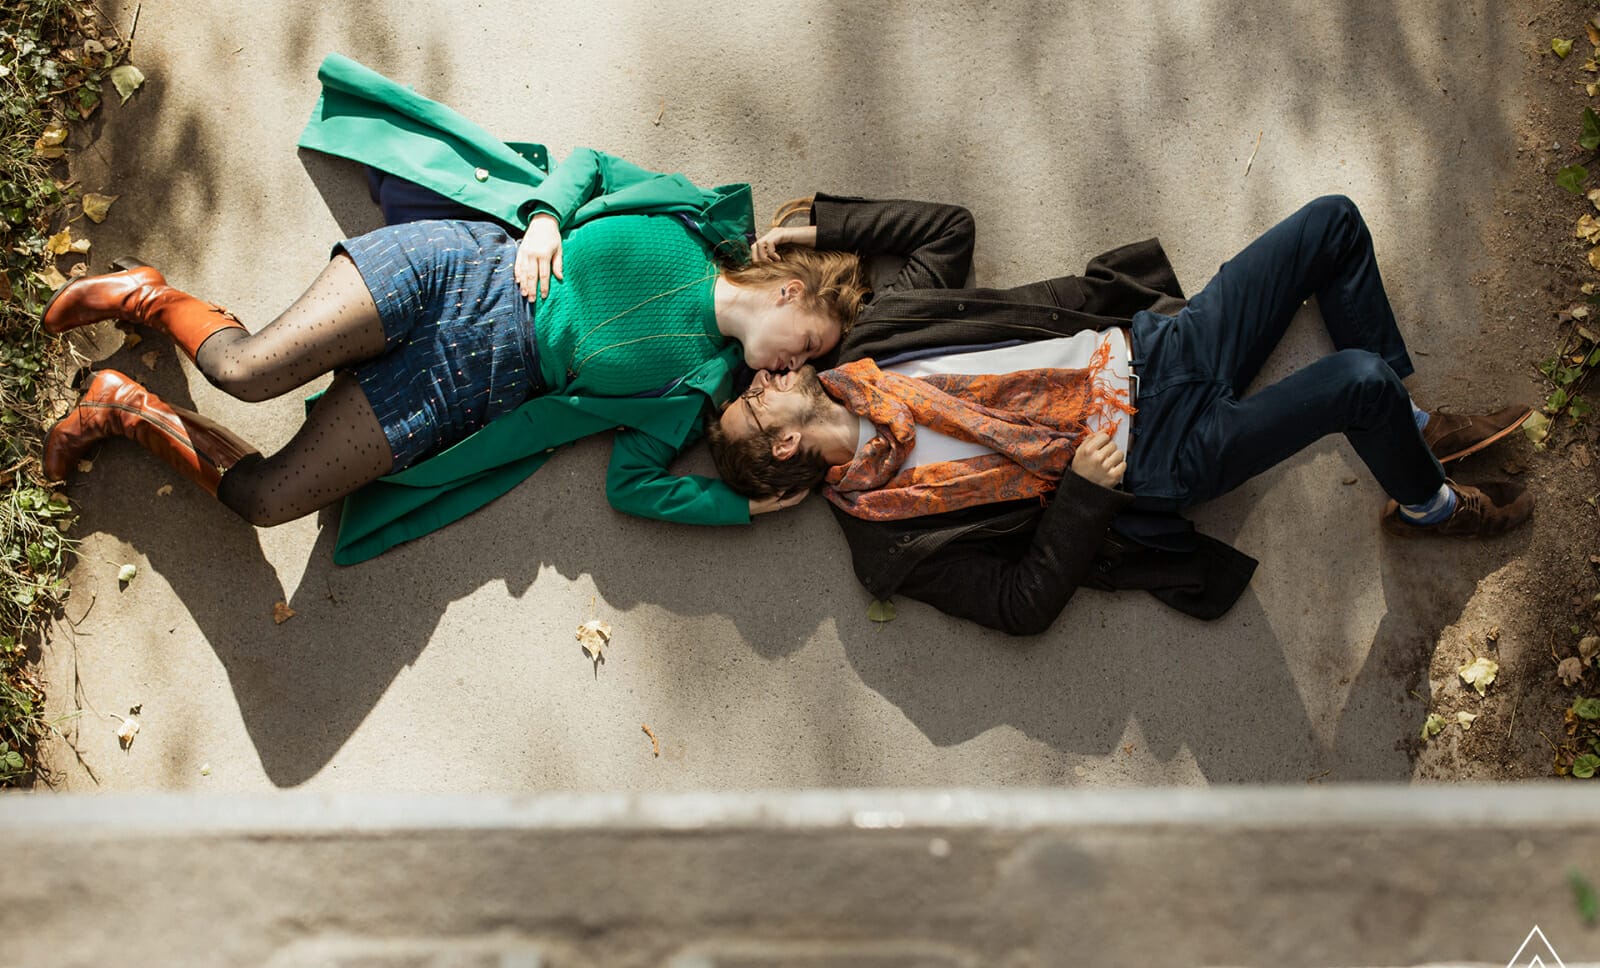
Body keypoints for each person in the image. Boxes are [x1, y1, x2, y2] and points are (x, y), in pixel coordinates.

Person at [36, 55, 972, 565]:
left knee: (269, 501)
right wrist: (543, 214)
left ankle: (126, 408)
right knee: (244, 368)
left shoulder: (688, 400)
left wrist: (744, 511)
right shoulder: (691, 220)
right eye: (808, 343)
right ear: (788, 291)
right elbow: (593, 165)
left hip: (461, 386)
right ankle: (153, 297)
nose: (788, 368)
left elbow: (633, 490)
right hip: (454, 273)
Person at [707, 196, 1534, 635]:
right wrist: (1083, 497)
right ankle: (1432, 506)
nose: (768, 374)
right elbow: (1017, 605)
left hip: (1154, 346)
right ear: (784, 443)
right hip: (1159, 455)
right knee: (1352, 379)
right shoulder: (887, 542)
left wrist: (820, 226)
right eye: (757, 398)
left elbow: (945, 229)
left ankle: (1413, 428)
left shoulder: (875, 341)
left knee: (1333, 223)